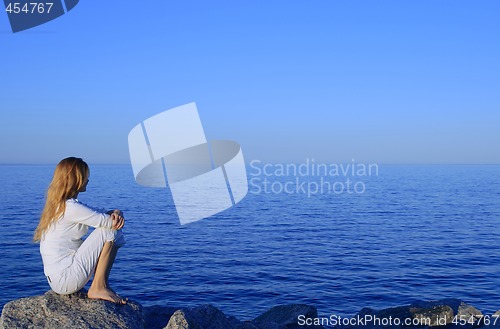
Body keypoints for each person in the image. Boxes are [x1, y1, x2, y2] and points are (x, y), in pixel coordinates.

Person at [33, 157, 127, 304]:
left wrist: (116, 212)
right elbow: (108, 223)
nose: (88, 180)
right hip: (65, 279)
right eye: (85, 176)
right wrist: (116, 215)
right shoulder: (71, 208)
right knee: (110, 232)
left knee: (110, 230)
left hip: (59, 279)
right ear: (76, 179)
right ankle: (98, 286)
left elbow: (101, 213)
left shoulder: (62, 205)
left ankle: (101, 285)